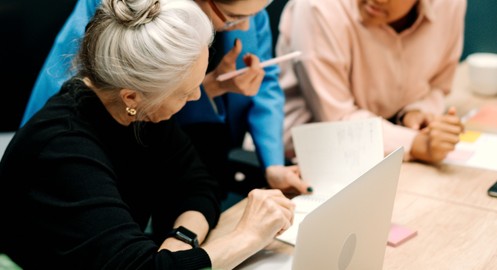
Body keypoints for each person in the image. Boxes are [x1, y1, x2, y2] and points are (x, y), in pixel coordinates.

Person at [0, 0, 295, 269]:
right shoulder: (63, 149)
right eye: (184, 92)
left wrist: (181, 240)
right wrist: (244, 238)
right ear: (131, 96)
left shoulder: (141, 110)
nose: (197, 96)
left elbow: (198, 185)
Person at [20, 0, 311, 202]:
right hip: (116, 146)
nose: (246, 27)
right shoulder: (130, 16)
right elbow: (103, 95)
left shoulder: (247, 12)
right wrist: (204, 89)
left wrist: (272, 165)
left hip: (197, 150)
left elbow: (267, 80)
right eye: (234, 19)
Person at [277, 0, 466, 163]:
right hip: (304, 161)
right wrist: (414, 144)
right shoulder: (317, 8)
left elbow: (437, 85)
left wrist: (416, 111)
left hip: (395, 143)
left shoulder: (448, 5)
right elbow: (338, 120)